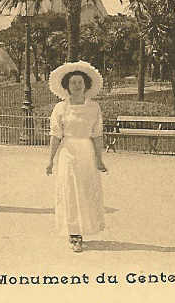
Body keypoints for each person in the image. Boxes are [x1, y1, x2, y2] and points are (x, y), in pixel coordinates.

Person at [45, 61, 107, 253]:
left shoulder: (94, 107)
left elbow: (97, 134)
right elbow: (55, 135)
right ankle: (74, 234)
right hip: (68, 153)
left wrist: (99, 159)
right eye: (73, 83)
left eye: (80, 82)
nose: (77, 86)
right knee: (70, 192)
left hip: (86, 152)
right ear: (66, 86)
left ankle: (84, 228)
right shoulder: (60, 108)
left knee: (86, 191)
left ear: (86, 85)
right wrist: (50, 160)